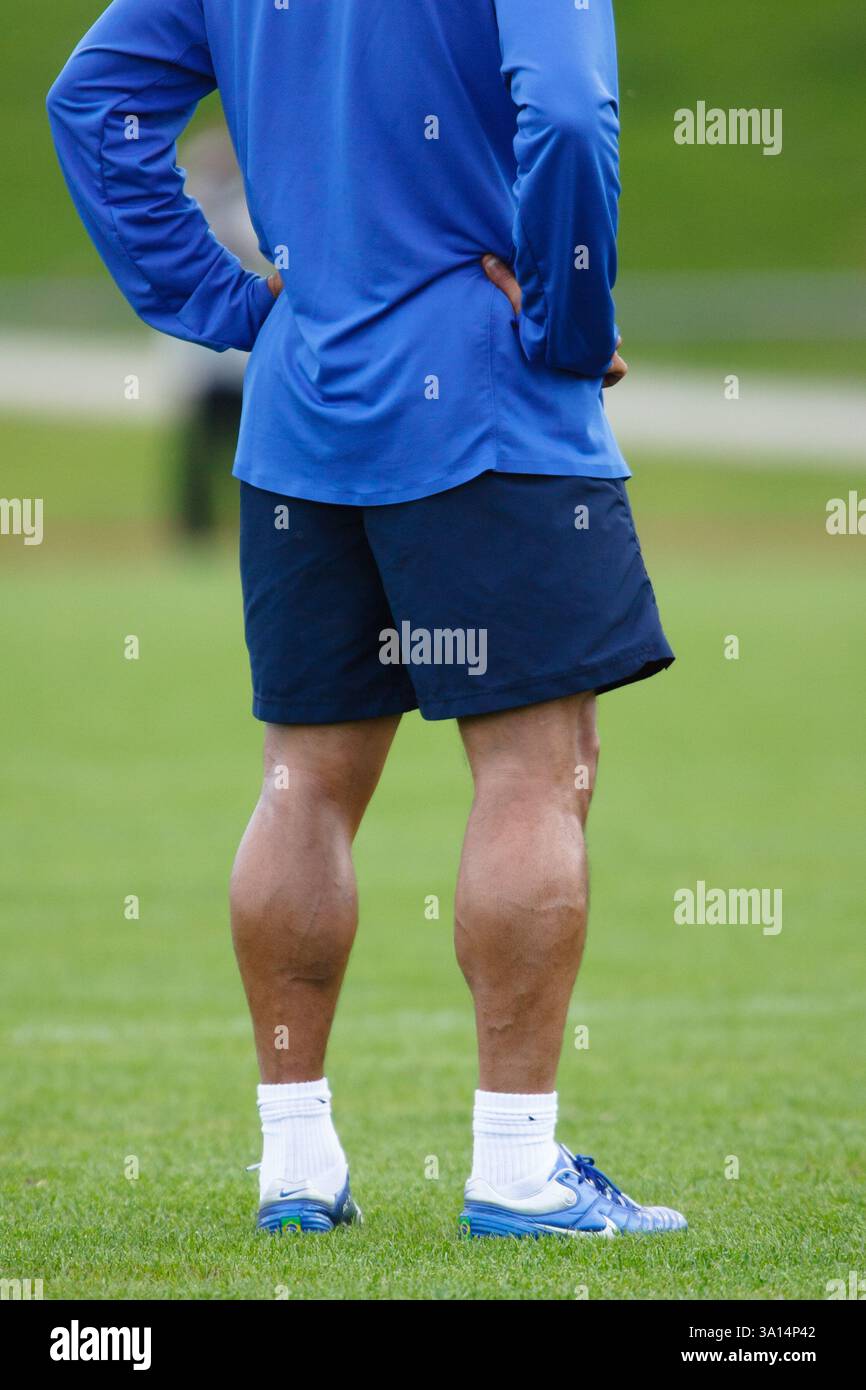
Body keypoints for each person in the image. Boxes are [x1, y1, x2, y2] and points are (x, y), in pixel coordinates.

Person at [48, 0, 685, 1239]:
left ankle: (295, 1161)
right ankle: (514, 1170)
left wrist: (237, 311)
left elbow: (92, 105)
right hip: (488, 404)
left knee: (303, 783)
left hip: (300, 414)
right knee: (532, 772)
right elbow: (563, 110)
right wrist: (571, 320)